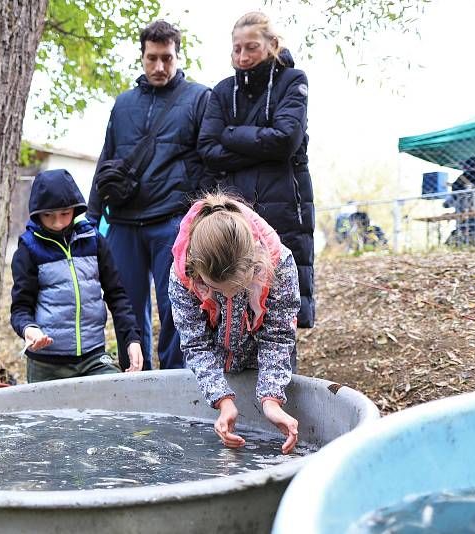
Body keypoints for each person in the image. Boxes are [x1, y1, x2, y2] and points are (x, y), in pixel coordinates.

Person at [87, 20, 213, 371]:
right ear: (142, 57)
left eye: (167, 59)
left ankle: (175, 383)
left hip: (172, 220)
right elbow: (106, 157)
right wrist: (91, 218)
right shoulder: (123, 104)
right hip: (124, 223)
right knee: (127, 308)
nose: (159, 67)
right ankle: (136, 381)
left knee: (178, 306)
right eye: (152, 58)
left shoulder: (198, 98)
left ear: (177, 56)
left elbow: (207, 161)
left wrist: (201, 214)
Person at [197, 12, 315, 336]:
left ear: (271, 45)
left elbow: (285, 141)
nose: (243, 57)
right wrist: (263, 144)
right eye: (237, 49)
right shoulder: (222, 92)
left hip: (283, 206)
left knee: (280, 310)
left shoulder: (294, 81)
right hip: (233, 211)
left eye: (251, 47)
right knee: (231, 304)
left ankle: (276, 383)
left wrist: (232, 134)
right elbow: (207, 147)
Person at [168, 192, 300, 454]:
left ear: (255, 263)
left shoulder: (279, 263)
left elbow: (278, 337)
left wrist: (271, 401)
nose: (227, 296)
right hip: (213, 367)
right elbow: (196, 344)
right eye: (218, 290)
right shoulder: (182, 274)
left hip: (267, 363)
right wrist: (222, 400)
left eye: (237, 289)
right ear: (197, 271)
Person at [11, 169, 144, 383]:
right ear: (37, 214)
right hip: (46, 363)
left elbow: (117, 295)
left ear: (75, 209)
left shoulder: (93, 240)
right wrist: (30, 329)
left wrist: (132, 339)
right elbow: (20, 309)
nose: (57, 223)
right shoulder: (28, 249)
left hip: (94, 356)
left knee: (115, 396)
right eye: (48, 216)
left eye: (64, 214)